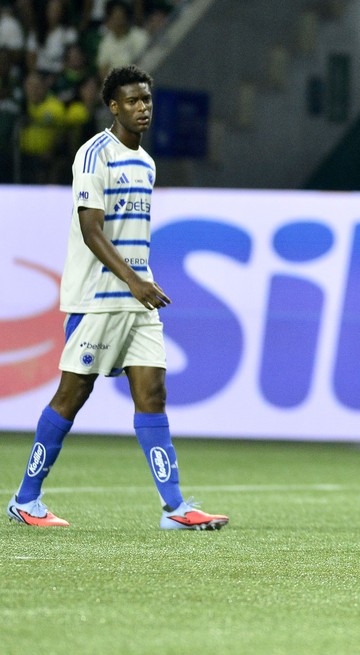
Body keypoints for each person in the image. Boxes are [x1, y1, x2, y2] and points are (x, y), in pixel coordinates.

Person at [6, 64, 228, 531]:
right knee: (72, 395)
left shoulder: (147, 163)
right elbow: (92, 231)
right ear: (113, 106)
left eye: (146, 99)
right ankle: (26, 499)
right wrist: (133, 280)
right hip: (99, 298)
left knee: (153, 394)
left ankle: (175, 508)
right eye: (132, 101)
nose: (142, 108)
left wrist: (139, 282)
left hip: (137, 297)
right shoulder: (94, 155)